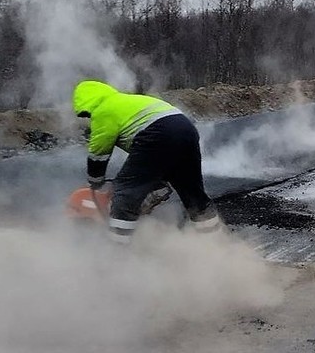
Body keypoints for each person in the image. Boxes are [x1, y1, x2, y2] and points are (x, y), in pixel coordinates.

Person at [73, 80, 221, 243]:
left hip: (158, 133)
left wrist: (95, 180)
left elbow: (99, 152)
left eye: (86, 114)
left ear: (87, 103)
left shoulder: (103, 110)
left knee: (125, 192)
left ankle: (115, 248)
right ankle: (214, 241)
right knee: (192, 193)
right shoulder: (129, 100)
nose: (88, 118)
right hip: (186, 129)